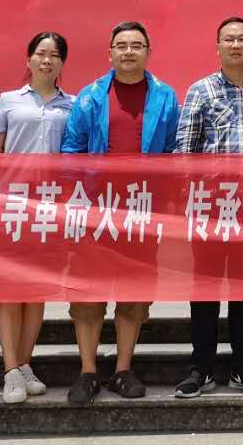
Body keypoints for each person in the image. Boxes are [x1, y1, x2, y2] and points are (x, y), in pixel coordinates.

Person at [60, 20, 181, 404]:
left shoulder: (165, 97)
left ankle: (123, 369)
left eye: (136, 45)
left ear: (148, 52)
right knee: (87, 296)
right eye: (122, 45)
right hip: (96, 212)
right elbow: (71, 150)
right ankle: (87, 372)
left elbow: (174, 152)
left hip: (142, 211)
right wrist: (79, 197)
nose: (129, 52)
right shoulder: (91, 95)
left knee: (135, 295)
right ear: (110, 52)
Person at [174, 16, 243, 398]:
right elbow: (184, 152)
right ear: (217, 46)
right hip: (209, 207)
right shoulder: (200, 90)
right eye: (229, 39)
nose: (236, 45)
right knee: (204, 290)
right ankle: (200, 367)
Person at [0, 31, 75, 404]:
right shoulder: (8, 101)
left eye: (54, 55)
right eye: (40, 53)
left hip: (51, 207)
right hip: (12, 204)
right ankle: (9, 370)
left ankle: (24, 364)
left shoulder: (73, 104)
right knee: (9, 290)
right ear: (28, 59)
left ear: (62, 62)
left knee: (37, 290)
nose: (46, 60)